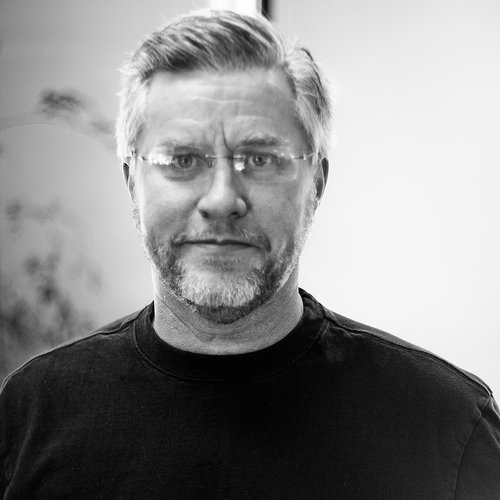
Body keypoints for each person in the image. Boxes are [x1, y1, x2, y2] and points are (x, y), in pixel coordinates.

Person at [1, 9, 499, 499]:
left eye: (259, 159)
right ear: (133, 183)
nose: (222, 200)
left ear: (316, 184)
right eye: (182, 159)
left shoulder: (448, 430)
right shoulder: (29, 417)